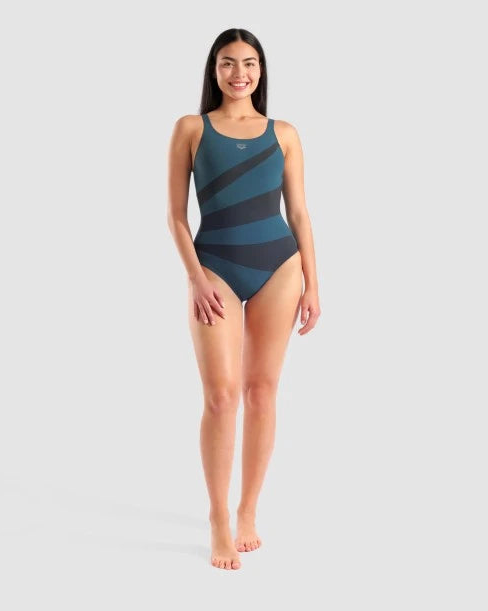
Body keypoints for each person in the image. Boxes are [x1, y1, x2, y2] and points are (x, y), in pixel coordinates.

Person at [167, 28, 321, 570]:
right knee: (221, 396)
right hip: (215, 270)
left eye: (249, 63)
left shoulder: (284, 133)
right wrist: (196, 278)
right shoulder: (191, 128)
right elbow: (176, 216)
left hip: (280, 266)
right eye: (228, 63)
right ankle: (218, 518)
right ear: (214, 70)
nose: (240, 73)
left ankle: (248, 511)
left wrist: (314, 284)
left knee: (262, 391)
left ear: (261, 70)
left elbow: (298, 212)